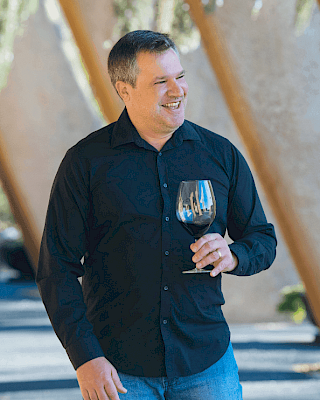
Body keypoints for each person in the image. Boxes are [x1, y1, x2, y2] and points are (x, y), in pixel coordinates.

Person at [36, 30, 277, 400]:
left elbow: (262, 238)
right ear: (124, 90)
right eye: (161, 82)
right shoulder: (85, 163)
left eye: (180, 77)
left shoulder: (220, 155)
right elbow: (58, 269)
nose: (177, 90)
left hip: (207, 363)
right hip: (118, 371)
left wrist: (234, 255)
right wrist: (85, 359)